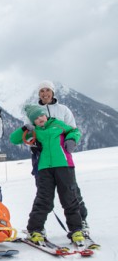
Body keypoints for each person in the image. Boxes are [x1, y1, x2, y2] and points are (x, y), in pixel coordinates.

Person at [10, 104, 85, 245]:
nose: (40, 119)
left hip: (64, 165)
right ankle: (35, 230)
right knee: (44, 199)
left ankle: (76, 230)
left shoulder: (58, 124)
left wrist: (72, 139)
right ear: (33, 121)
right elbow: (13, 139)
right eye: (36, 118)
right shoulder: (35, 131)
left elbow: (75, 131)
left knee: (69, 198)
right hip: (44, 168)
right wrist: (25, 128)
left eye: (41, 115)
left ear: (46, 115)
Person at [32, 80, 89, 231]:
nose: (45, 94)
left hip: (62, 157)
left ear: (53, 92)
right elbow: (28, 133)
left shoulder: (63, 110)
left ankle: (81, 220)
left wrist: (71, 140)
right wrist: (33, 143)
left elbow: (73, 129)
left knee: (72, 190)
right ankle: (38, 226)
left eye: (47, 90)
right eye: (42, 91)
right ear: (39, 94)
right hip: (42, 157)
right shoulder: (35, 111)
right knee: (43, 191)